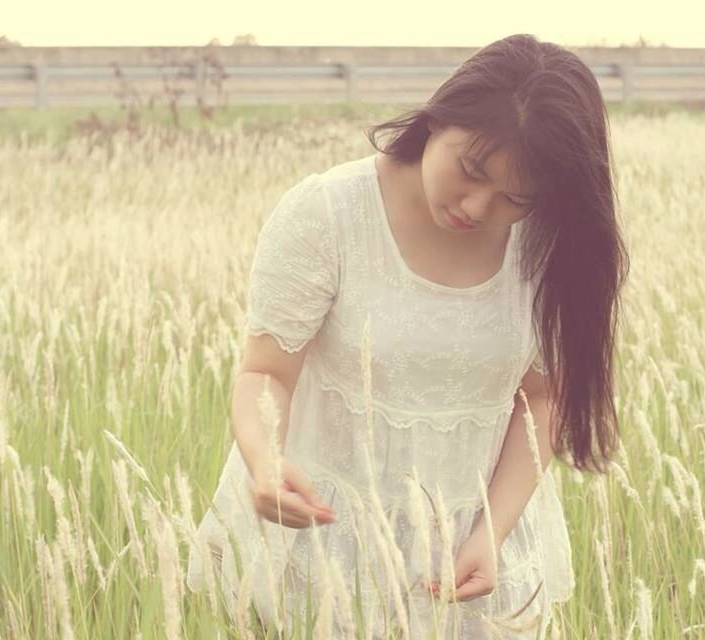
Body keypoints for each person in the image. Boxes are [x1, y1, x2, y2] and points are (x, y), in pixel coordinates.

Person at [186, 33, 629, 639]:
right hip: (324, 536)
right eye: (471, 169)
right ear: (439, 115)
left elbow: (542, 399)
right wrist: (265, 461)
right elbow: (266, 372)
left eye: (514, 197)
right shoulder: (330, 213)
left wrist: (491, 534)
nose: (476, 206)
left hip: (470, 551)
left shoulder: (545, 244)